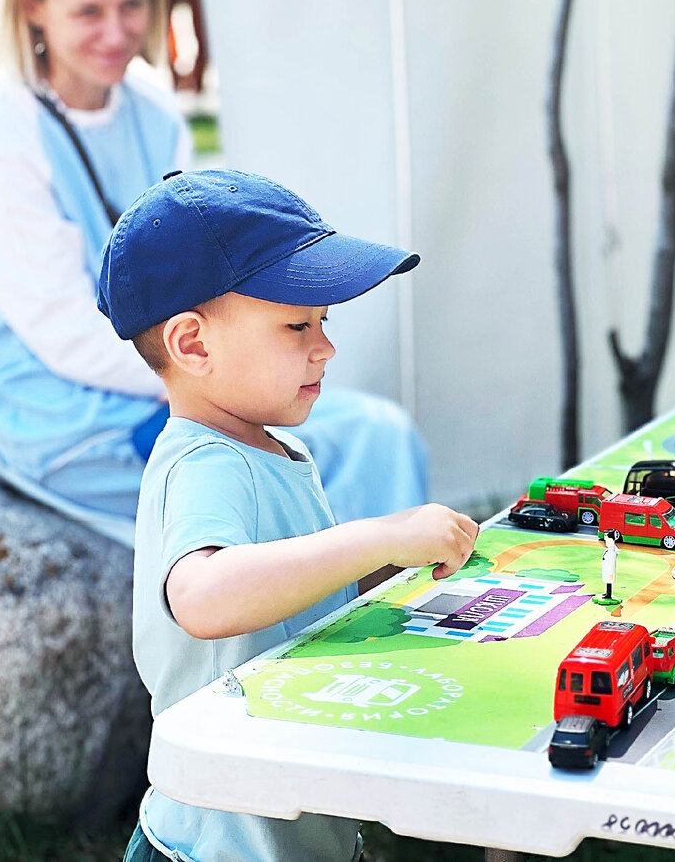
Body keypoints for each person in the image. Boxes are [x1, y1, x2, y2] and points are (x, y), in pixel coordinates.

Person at [0, 0, 425, 528]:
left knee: (375, 432)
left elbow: (198, 272)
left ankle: (383, 598)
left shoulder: (154, 114)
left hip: (176, 367)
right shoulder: (0, 130)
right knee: (338, 446)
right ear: (33, 8)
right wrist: (210, 380)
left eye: (131, 5)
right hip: (56, 399)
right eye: (88, 11)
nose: (116, 33)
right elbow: (64, 336)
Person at [106, 169, 479, 862]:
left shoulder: (273, 448)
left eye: (324, 322)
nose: (326, 347)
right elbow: (204, 596)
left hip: (290, 826)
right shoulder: (205, 463)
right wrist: (376, 537)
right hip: (219, 847)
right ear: (193, 345)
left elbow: (294, 598)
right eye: (296, 323)